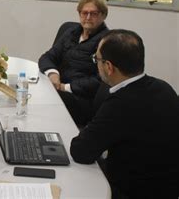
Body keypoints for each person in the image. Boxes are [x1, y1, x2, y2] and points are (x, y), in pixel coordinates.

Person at [70, 29, 179, 199]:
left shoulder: (121, 103)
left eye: (96, 59)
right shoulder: (163, 87)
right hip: (166, 188)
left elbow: (80, 151)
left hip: (131, 191)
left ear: (109, 67)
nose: (96, 64)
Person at [38, 0, 109, 126]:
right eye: (84, 13)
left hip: (81, 100)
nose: (88, 17)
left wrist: (65, 87)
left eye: (93, 13)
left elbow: (101, 80)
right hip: (59, 89)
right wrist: (53, 74)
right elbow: (47, 57)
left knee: (39, 99)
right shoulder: (71, 32)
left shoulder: (107, 41)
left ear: (103, 15)